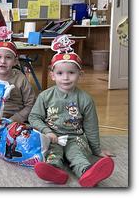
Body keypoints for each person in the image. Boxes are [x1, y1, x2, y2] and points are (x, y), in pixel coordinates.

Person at [28, 35, 114, 187]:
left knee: (76, 154)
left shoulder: (85, 99)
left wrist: (96, 149)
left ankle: (87, 173)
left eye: (71, 73)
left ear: (80, 74)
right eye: (60, 73)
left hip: (76, 138)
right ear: (52, 75)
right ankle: (54, 171)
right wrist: (47, 131)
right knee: (53, 153)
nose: (66, 78)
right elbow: (34, 117)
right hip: (53, 137)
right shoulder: (45, 96)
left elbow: (91, 126)